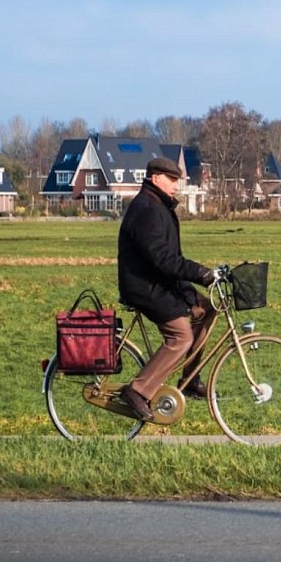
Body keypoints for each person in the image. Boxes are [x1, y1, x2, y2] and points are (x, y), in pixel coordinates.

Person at [117, 156, 217, 421]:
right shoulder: (146, 209)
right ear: (155, 178)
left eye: (178, 180)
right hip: (145, 286)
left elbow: (170, 260)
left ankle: (191, 378)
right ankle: (138, 390)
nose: (176, 185)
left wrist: (196, 283)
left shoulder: (159, 206)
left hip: (161, 281)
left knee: (207, 308)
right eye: (172, 180)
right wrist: (200, 273)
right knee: (181, 337)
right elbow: (163, 259)